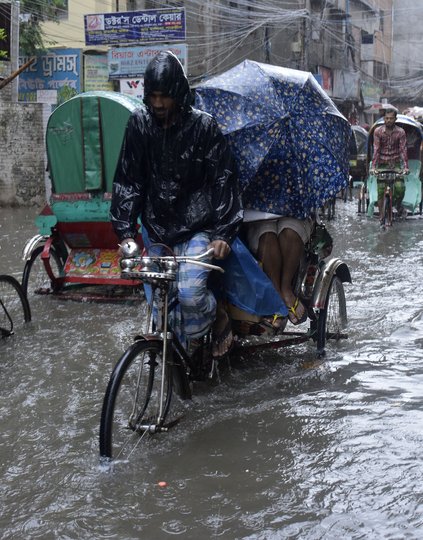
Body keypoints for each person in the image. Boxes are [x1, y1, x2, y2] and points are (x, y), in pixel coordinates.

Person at [110, 51, 243, 358]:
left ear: (179, 94)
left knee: (191, 295)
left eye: (165, 97)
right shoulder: (139, 125)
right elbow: (129, 181)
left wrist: (223, 233)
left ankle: (216, 318)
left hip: (198, 228)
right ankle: (178, 361)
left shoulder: (204, 128)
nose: (158, 104)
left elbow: (223, 180)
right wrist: (126, 233)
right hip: (157, 228)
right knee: (161, 307)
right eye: (153, 96)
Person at [244, 212, 314, 326]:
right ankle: (276, 293)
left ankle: (286, 289)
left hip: (295, 210)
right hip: (257, 211)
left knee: (290, 230)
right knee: (266, 234)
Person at [370, 109, 409, 220]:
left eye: (391, 118)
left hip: (396, 164)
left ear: (395, 119)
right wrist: (373, 167)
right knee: (381, 190)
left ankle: (397, 204)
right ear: (384, 119)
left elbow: (403, 150)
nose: (389, 120)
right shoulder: (378, 131)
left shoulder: (400, 132)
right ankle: (382, 217)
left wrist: (406, 167)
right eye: (387, 118)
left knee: (400, 188)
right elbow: (376, 150)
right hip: (382, 164)